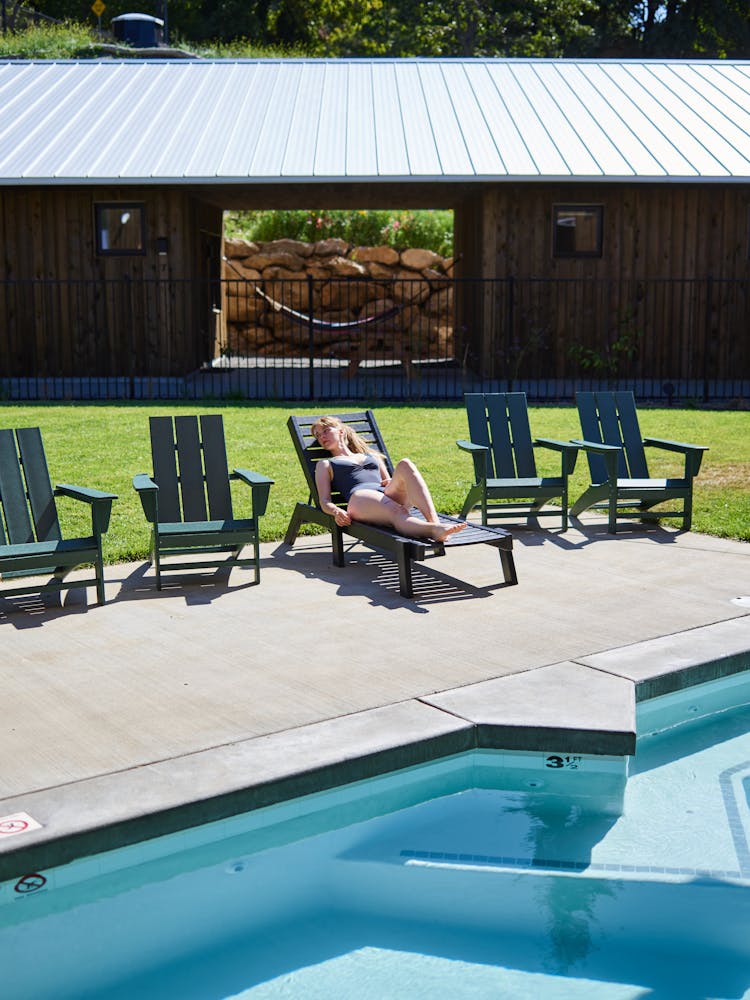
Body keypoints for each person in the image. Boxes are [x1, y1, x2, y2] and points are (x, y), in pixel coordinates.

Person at [311, 415, 467, 543]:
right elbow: (324, 501)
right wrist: (337, 511)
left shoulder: (371, 456)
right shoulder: (325, 464)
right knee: (396, 511)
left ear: (341, 431)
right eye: (318, 435)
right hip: (360, 499)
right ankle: (432, 530)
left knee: (406, 463)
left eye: (325, 430)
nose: (322, 437)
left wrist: (390, 482)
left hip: (383, 494)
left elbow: (388, 481)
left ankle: (435, 523)